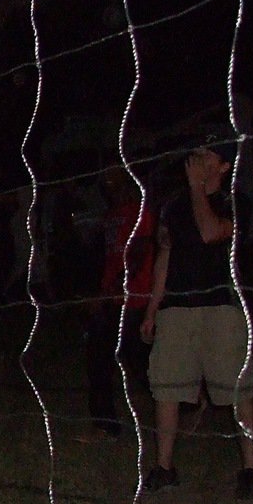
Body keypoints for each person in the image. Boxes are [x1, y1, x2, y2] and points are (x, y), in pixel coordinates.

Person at [140, 135, 253, 498]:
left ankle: (250, 471)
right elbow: (165, 257)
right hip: (177, 309)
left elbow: (211, 233)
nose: (197, 157)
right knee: (166, 388)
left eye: (208, 154)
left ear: (223, 166)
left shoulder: (235, 203)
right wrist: (152, 311)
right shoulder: (172, 206)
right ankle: (164, 467)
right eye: (197, 152)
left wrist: (197, 190)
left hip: (221, 308)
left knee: (236, 389)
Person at [79, 166, 155, 441]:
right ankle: (105, 424)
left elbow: (138, 254)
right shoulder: (112, 215)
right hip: (112, 297)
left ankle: (186, 402)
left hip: (132, 298)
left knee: (137, 362)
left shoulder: (138, 211)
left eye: (114, 179)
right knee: (102, 356)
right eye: (105, 182)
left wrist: (109, 291)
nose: (108, 186)